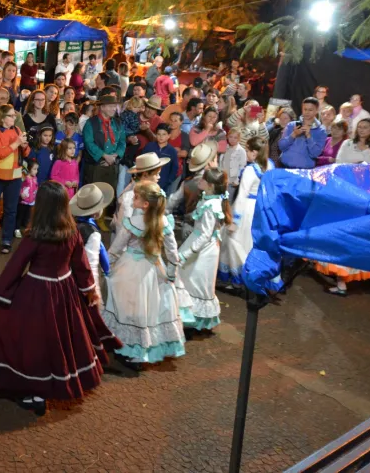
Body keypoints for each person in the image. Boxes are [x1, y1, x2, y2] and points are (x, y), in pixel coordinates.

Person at [0, 181, 120, 412]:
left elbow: (15, 267)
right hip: (64, 293)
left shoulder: (35, 235)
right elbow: (82, 267)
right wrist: (89, 291)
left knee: (31, 341)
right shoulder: (72, 233)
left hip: (35, 293)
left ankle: (32, 392)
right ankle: (51, 387)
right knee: (58, 341)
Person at [104, 181, 186, 367]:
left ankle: (128, 348)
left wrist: (106, 266)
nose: (133, 198)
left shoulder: (133, 222)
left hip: (130, 268)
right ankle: (141, 351)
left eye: (136, 197)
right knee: (150, 310)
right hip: (154, 269)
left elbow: (116, 249)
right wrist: (171, 273)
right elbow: (173, 253)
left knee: (129, 309)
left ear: (145, 204)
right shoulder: (164, 222)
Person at [314, 119, 370, 296]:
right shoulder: (347, 143)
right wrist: (357, 166)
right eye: (359, 126)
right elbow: (339, 164)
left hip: (362, 196)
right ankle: (339, 279)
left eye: (365, 127)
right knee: (338, 231)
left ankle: (343, 279)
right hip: (343, 193)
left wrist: (357, 167)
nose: (361, 130)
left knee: (353, 235)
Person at [178, 168, 232, 331]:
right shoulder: (209, 199)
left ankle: (194, 319)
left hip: (203, 249)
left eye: (202, 180)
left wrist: (188, 252)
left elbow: (205, 235)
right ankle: (188, 316)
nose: (199, 181)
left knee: (197, 281)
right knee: (188, 277)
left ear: (209, 185)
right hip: (200, 243)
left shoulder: (211, 205)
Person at [218, 137, 273, 289]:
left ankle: (238, 279)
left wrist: (235, 220)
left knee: (236, 243)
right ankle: (251, 276)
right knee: (251, 243)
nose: (246, 153)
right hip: (261, 210)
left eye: (248, 150)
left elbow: (242, 196)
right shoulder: (270, 166)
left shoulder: (250, 170)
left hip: (247, 209)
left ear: (254, 152)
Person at [0, 104, 30, 254]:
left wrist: (25, 145)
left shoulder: (17, 130)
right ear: (2, 117)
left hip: (14, 176)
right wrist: (16, 143)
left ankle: (6, 240)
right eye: (11, 115)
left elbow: (25, 153)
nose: (14, 118)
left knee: (11, 210)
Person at [70, 181, 115, 296]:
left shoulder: (72, 224)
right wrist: (93, 290)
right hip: (83, 280)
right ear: (96, 212)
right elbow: (91, 264)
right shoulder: (92, 233)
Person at [82, 94, 125, 196]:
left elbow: (122, 141)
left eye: (115, 106)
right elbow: (89, 143)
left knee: (109, 197)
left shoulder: (118, 123)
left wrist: (115, 156)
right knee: (94, 197)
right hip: (96, 167)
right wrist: (104, 156)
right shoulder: (90, 123)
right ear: (102, 107)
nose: (114, 109)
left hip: (113, 166)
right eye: (110, 106)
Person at [278, 97, 327, 169]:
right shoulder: (291, 125)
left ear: (316, 110)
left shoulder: (321, 130)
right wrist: (293, 135)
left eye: (310, 110)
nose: (307, 112)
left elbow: (315, 154)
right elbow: (281, 147)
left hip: (305, 171)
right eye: (305, 109)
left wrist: (309, 136)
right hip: (285, 167)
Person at [141, 124, 179, 195]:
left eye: (164, 134)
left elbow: (174, 168)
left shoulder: (172, 151)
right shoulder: (149, 146)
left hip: (161, 185)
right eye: (158, 134)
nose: (161, 137)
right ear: (156, 134)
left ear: (169, 136)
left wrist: (168, 181)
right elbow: (142, 162)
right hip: (146, 181)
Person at [221, 128, 247, 200]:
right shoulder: (225, 148)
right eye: (230, 137)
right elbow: (221, 162)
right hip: (223, 178)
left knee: (228, 200)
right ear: (227, 137)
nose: (232, 139)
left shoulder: (241, 151)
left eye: (235, 138)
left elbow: (242, 166)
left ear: (239, 139)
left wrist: (237, 180)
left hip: (232, 181)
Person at [16, 159, 39, 238]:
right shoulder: (24, 178)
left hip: (31, 201)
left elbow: (36, 187)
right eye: (34, 169)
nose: (36, 171)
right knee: (20, 215)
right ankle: (17, 229)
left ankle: (26, 229)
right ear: (29, 169)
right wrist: (20, 193)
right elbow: (18, 186)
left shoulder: (35, 178)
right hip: (23, 201)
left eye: (37, 169)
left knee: (27, 216)